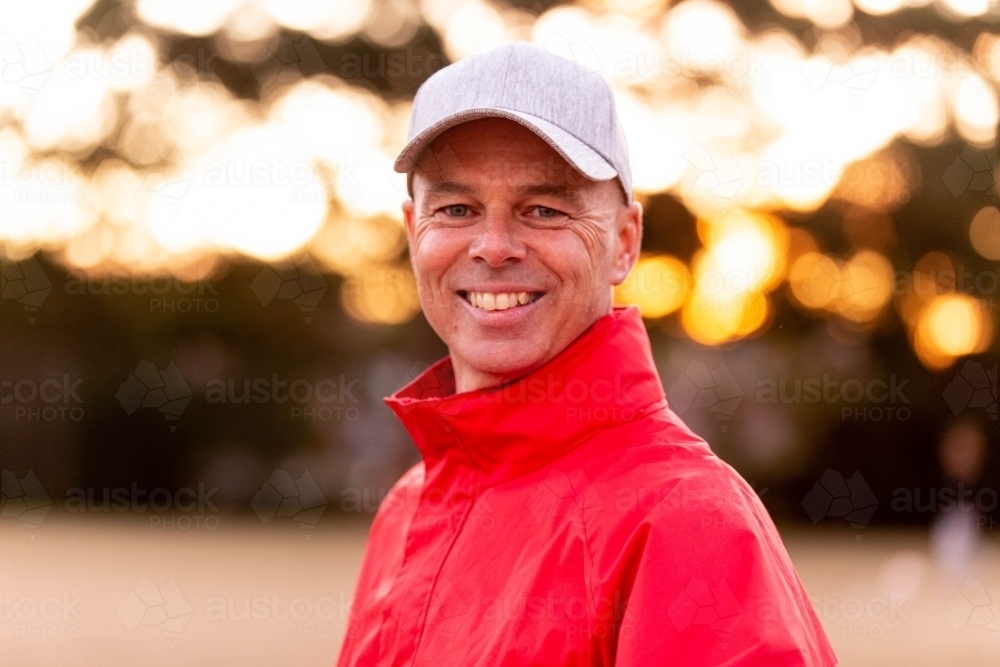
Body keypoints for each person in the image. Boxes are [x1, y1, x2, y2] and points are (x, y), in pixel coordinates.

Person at [336, 42, 837, 666]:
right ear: (415, 232)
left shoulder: (685, 522)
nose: (494, 247)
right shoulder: (409, 508)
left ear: (625, 242)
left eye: (544, 209)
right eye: (457, 208)